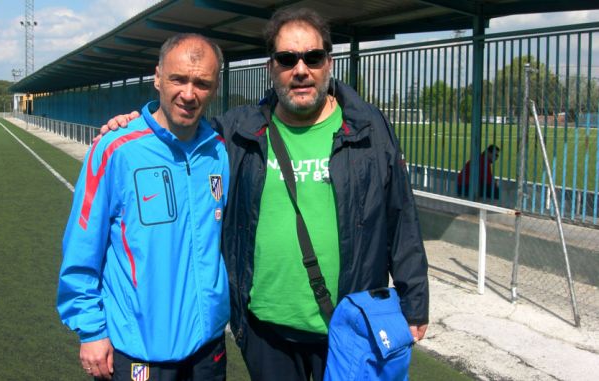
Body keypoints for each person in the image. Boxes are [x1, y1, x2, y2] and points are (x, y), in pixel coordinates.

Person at [102, 8, 429, 381]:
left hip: (347, 326)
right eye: (287, 59)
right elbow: (177, 124)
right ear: (272, 67)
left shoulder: (368, 128)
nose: (301, 69)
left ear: (329, 62)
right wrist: (133, 121)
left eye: (313, 57)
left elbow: (401, 217)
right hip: (265, 333)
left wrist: (414, 302)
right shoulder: (238, 130)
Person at [57, 34, 230, 381]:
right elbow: (82, 246)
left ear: (215, 87)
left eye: (202, 83)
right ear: (157, 77)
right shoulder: (115, 148)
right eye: (178, 79)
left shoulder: (219, 150)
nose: (189, 93)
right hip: (138, 349)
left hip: (207, 346)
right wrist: (91, 330)